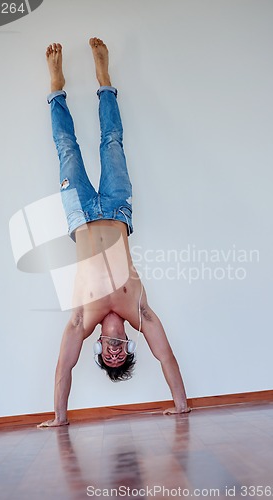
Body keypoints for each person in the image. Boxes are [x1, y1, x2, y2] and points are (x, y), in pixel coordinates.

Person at [38, 38, 191, 428]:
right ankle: (105, 79)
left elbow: (63, 368)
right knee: (112, 143)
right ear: (126, 344)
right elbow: (167, 357)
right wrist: (181, 406)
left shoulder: (80, 322)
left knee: (66, 147)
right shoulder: (140, 312)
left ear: (101, 347)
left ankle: (56, 88)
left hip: (81, 213)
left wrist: (59, 418)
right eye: (119, 355)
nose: (113, 351)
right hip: (118, 208)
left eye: (108, 355)